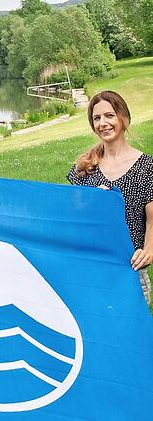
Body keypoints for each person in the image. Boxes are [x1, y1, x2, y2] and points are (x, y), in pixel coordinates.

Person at [67, 90, 153, 305]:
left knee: (131, 335)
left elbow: (152, 220)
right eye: (96, 118)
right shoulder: (84, 168)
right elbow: (72, 217)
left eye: (109, 115)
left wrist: (149, 250)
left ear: (123, 118)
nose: (103, 123)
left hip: (129, 271)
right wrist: (91, 202)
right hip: (92, 270)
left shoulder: (147, 167)